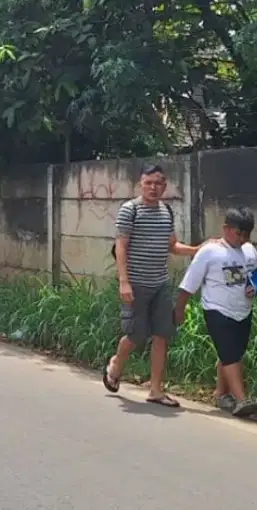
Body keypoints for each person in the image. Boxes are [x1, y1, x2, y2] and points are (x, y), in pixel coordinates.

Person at [102, 164, 201, 407]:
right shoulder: (130, 210)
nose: (153, 188)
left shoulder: (166, 212)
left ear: (164, 186)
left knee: (161, 335)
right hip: (135, 284)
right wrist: (124, 282)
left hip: (160, 284)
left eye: (158, 183)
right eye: (149, 183)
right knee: (136, 334)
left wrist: (199, 249)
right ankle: (116, 364)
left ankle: (156, 390)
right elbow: (121, 247)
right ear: (141, 184)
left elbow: (172, 246)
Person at [174, 207, 257, 417]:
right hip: (216, 310)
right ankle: (242, 399)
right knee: (230, 354)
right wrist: (180, 309)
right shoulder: (210, 252)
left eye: (246, 235)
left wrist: (256, 287)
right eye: (237, 233)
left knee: (235, 353)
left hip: (243, 310)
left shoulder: (250, 251)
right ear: (226, 229)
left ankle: (222, 394)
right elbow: (188, 284)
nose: (241, 238)